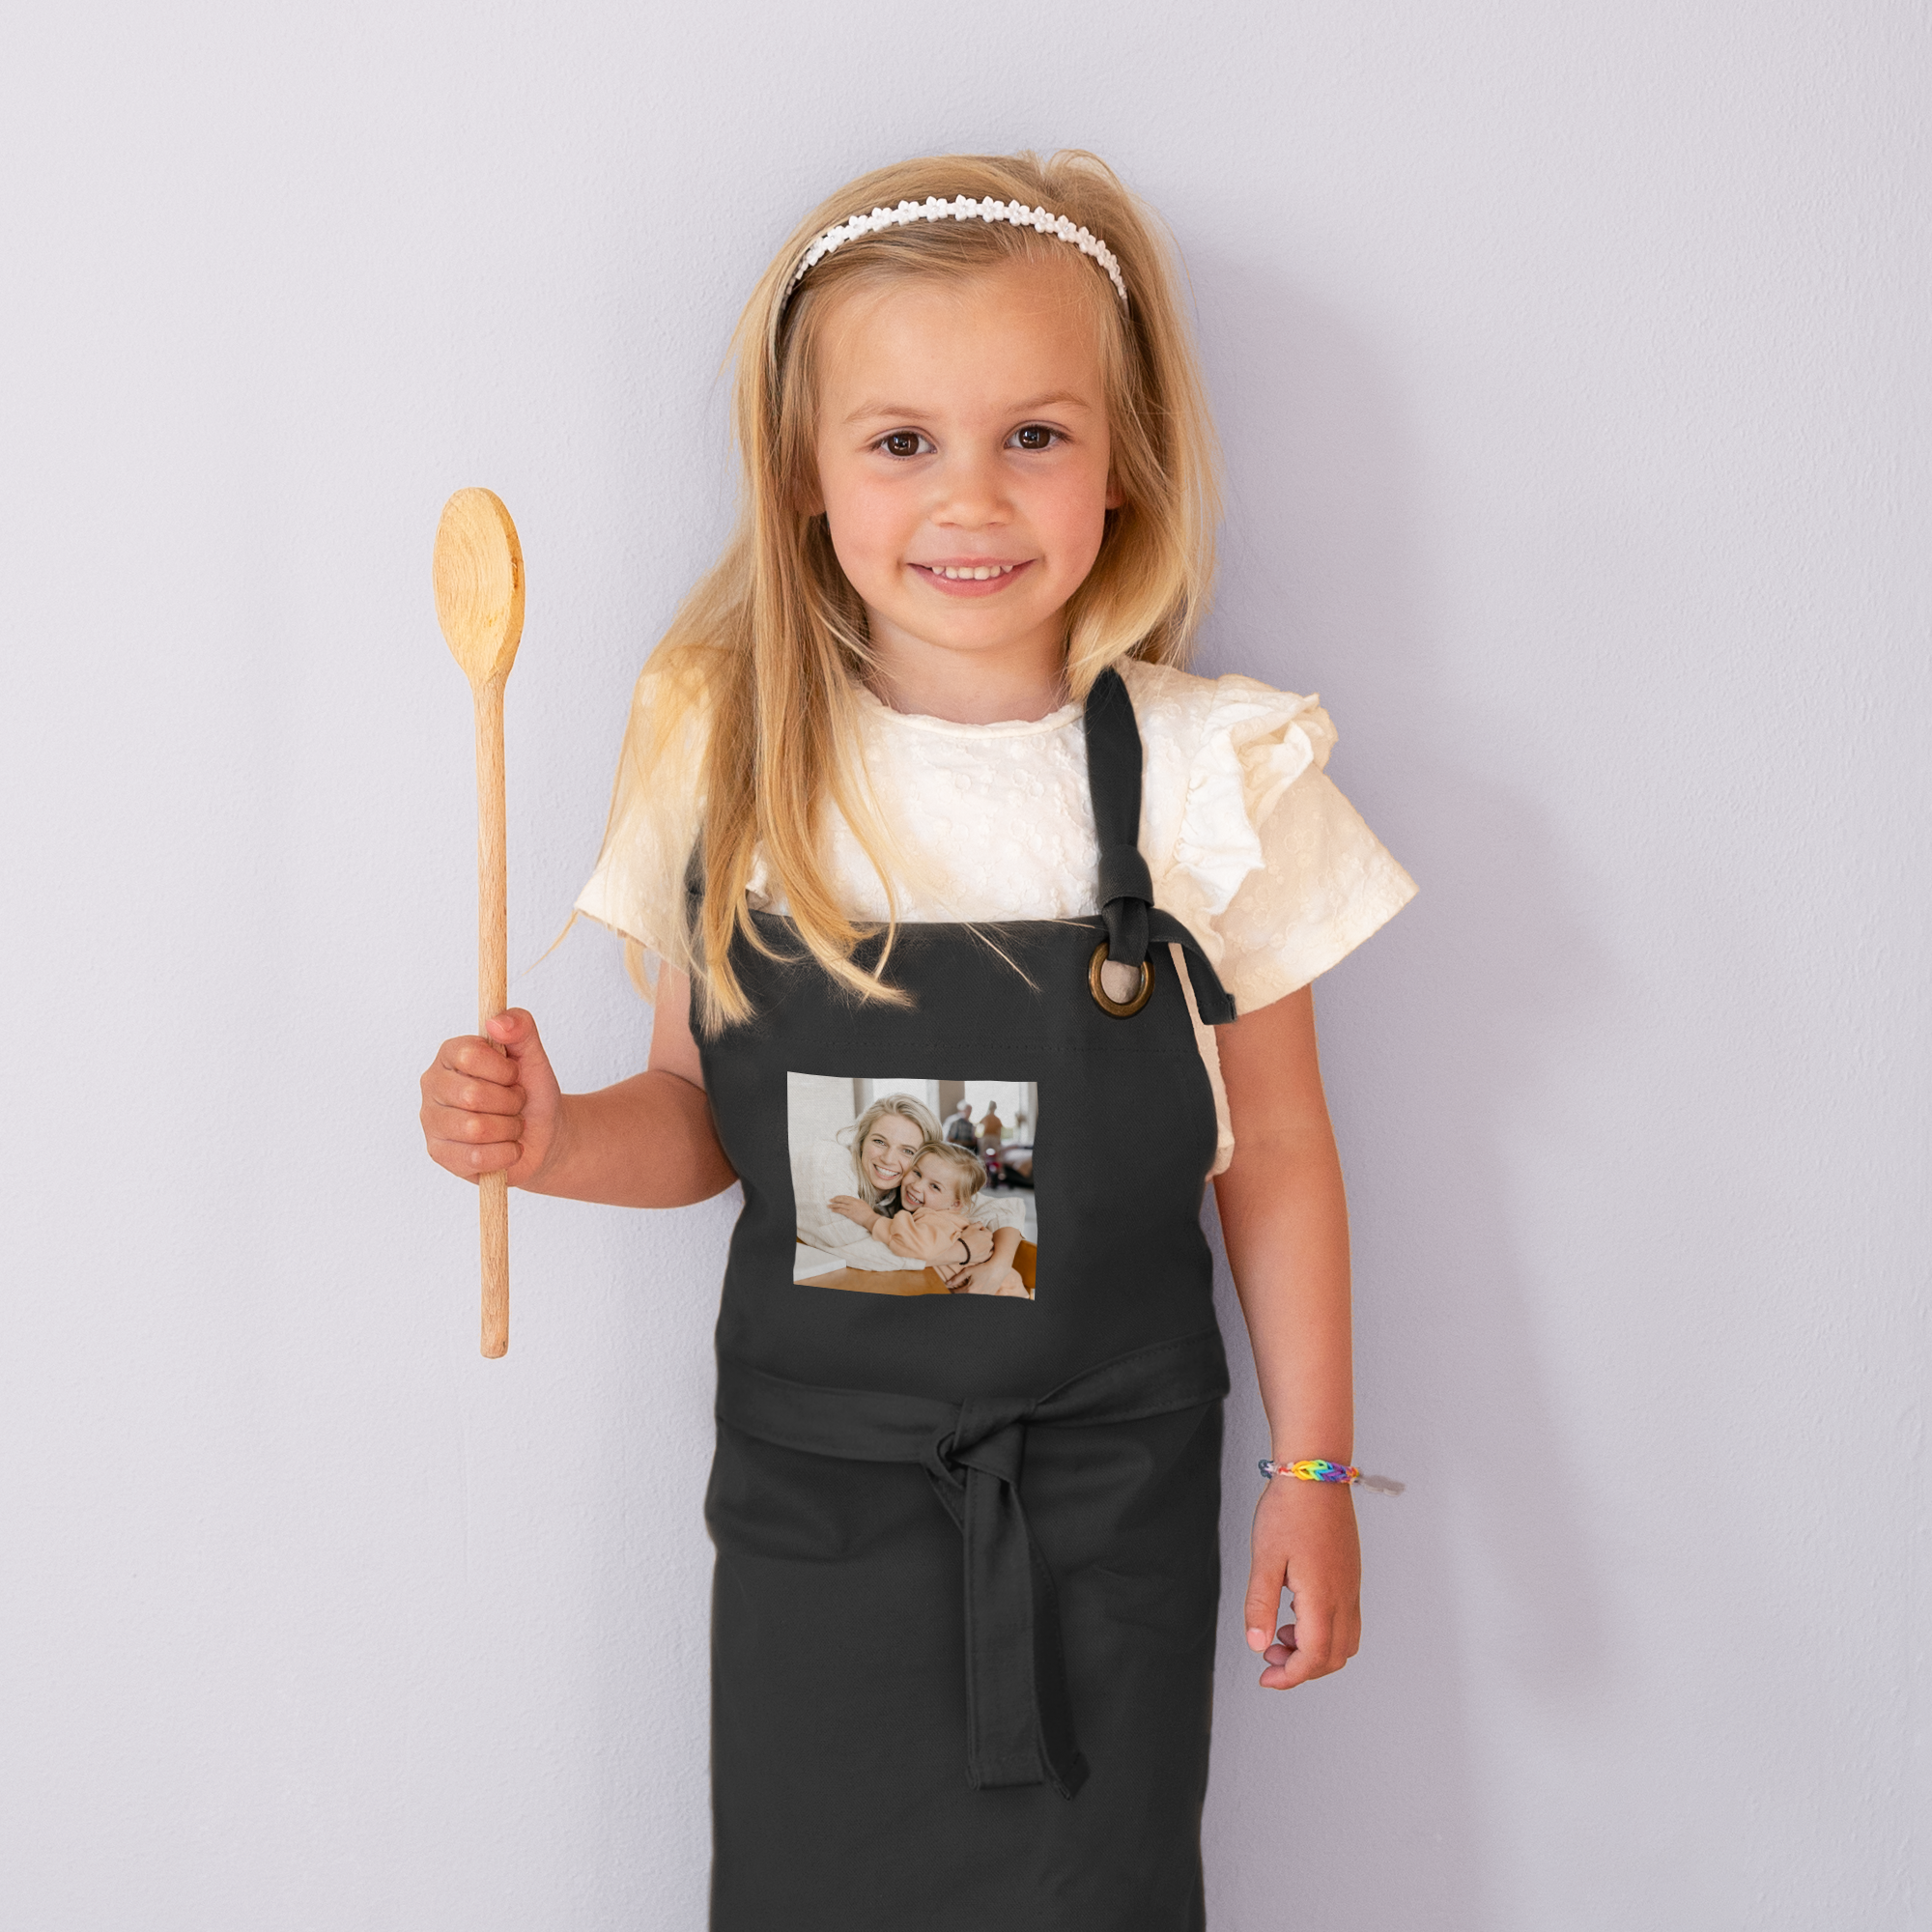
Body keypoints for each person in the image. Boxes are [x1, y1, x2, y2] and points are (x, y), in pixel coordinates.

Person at [418, 149, 1414, 1929]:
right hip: (821, 1520)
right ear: (807, 475)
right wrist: (552, 1141)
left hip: (1102, 1512)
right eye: (901, 442)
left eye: (1034, 433)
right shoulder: (727, 750)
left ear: (1125, 466)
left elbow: (1274, 1153)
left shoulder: (1213, 777)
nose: (973, 495)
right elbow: (689, 1116)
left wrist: (1315, 1472)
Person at [830, 1141, 1027, 1296]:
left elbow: (913, 1245)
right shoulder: (934, 1211)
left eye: (935, 1187)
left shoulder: (937, 1219)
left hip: (1001, 1294)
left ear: (956, 1204)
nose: (917, 1186)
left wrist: (869, 1218)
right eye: (916, 1173)